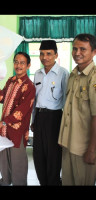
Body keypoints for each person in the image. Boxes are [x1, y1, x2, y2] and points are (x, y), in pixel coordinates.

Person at [0, 52, 35, 186]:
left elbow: (21, 111)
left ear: (28, 66)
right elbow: (1, 98)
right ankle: (5, 180)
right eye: (16, 62)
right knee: (4, 156)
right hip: (4, 127)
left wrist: (2, 122)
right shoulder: (10, 81)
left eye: (22, 63)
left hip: (17, 129)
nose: (18, 65)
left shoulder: (30, 86)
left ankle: (19, 183)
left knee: (17, 159)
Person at [58, 33, 96, 185]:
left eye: (83, 49)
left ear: (93, 52)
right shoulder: (73, 75)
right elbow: (69, 110)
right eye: (74, 49)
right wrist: (63, 136)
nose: (77, 53)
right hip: (68, 144)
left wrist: (92, 150)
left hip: (84, 148)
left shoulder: (93, 78)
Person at [31, 40, 69, 186]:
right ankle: (43, 182)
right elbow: (35, 100)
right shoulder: (38, 74)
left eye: (48, 54)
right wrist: (34, 120)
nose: (44, 57)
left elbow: (66, 101)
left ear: (56, 55)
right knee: (38, 154)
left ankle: (53, 182)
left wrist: (65, 126)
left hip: (55, 118)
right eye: (41, 54)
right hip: (39, 118)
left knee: (53, 156)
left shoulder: (63, 73)